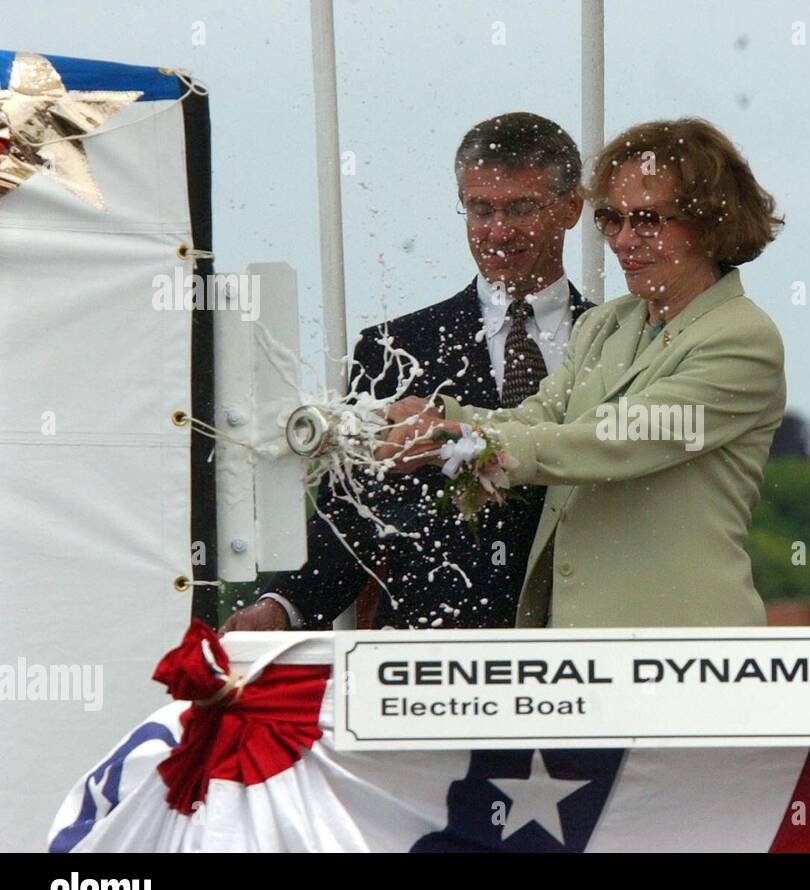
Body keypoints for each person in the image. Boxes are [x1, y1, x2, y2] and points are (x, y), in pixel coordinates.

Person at [380, 118, 786, 628]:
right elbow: (538, 416)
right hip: (576, 649)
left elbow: (614, 439)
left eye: (647, 220)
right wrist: (436, 414)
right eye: (611, 219)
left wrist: (464, 440)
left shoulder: (742, 337)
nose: (623, 240)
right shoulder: (606, 324)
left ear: (710, 223)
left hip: (685, 650)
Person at [220, 113, 592, 634]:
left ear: (571, 207)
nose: (499, 232)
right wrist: (282, 607)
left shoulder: (622, 342)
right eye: (481, 210)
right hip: (432, 665)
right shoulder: (394, 350)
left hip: (589, 653)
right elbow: (352, 516)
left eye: (521, 208)